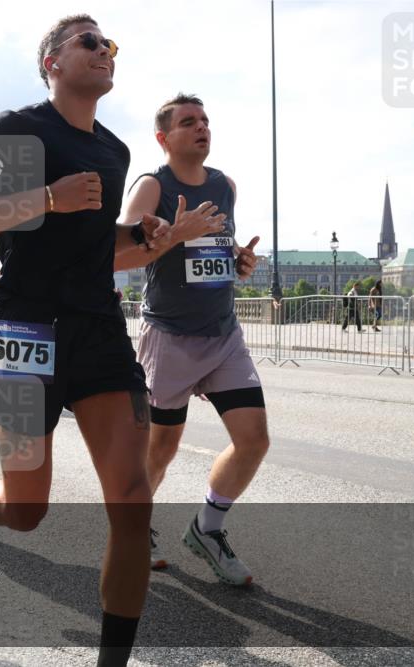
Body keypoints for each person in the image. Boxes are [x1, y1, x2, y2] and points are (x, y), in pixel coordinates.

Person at [0, 16, 190, 664]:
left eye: (111, 46)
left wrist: (151, 239)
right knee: (25, 507)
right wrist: (48, 196)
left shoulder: (114, 151)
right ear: (52, 61)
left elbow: (108, 253)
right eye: (90, 43)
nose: (105, 52)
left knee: (131, 502)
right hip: (23, 334)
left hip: (100, 333)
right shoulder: (22, 131)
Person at [117, 93, 264, 585]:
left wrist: (239, 261)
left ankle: (207, 528)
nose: (201, 127)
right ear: (163, 137)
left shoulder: (226, 185)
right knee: (160, 450)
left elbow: (218, 250)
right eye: (188, 122)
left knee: (253, 440)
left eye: (205, 120)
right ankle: (133, 529)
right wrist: (173, 235)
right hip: (170, 336)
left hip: (223, 334)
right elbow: (116, 253)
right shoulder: (150, 186)